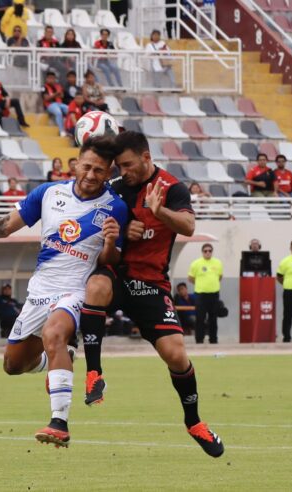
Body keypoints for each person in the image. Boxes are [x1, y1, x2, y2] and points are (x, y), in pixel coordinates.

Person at [0, 136, 128, 448]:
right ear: (76, 163)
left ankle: (59, 422)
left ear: (109, 173)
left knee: (54, 334)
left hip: (76, 291)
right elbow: (4, 226)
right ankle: (60, 358)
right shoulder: (49, 193)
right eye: (87, 167)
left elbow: (111, 261)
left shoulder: (114, 207)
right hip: (40, 291)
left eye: (100, 171)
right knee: (13, 365)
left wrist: (109, 243)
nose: (92, 175)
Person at [76, 131, 224, 458]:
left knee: (176, 354)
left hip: (151, 283)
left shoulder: (172, 188)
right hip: (117, 272)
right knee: (95, 287)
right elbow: (95, 230)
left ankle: (194, 422)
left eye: (127, 165)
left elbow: (186, 226)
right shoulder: (113, 189)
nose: (122, 171)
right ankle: (93, 373)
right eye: (118, 166)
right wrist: (116, 235)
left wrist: (161, 214)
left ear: (146, 157)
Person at [187, 243, 223, 344]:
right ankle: (199, 340)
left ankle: (213, 340)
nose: (208, 253)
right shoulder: (196, 263)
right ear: (202, 252)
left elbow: (220, 277)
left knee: (213, 318)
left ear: (212, 252)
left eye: (210, 251)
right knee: (200, 318)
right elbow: (191, 278)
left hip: (214, 294)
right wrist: (201, 284)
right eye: (205, 251)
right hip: (200, 295)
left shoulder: (218, 263)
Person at [42, 71, 69, 137]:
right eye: (50, 78)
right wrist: (56, 94)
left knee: (69, 110)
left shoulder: (58, 86)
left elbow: (62, 96)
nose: (52, 80)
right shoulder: (44, 87)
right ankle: (61, 131)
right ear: (47, 79)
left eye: (53, 78)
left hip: (59, 104)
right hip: (50, 105)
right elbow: (46, 98)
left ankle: (69, 129)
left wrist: (53, 95)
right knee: (58, 112)